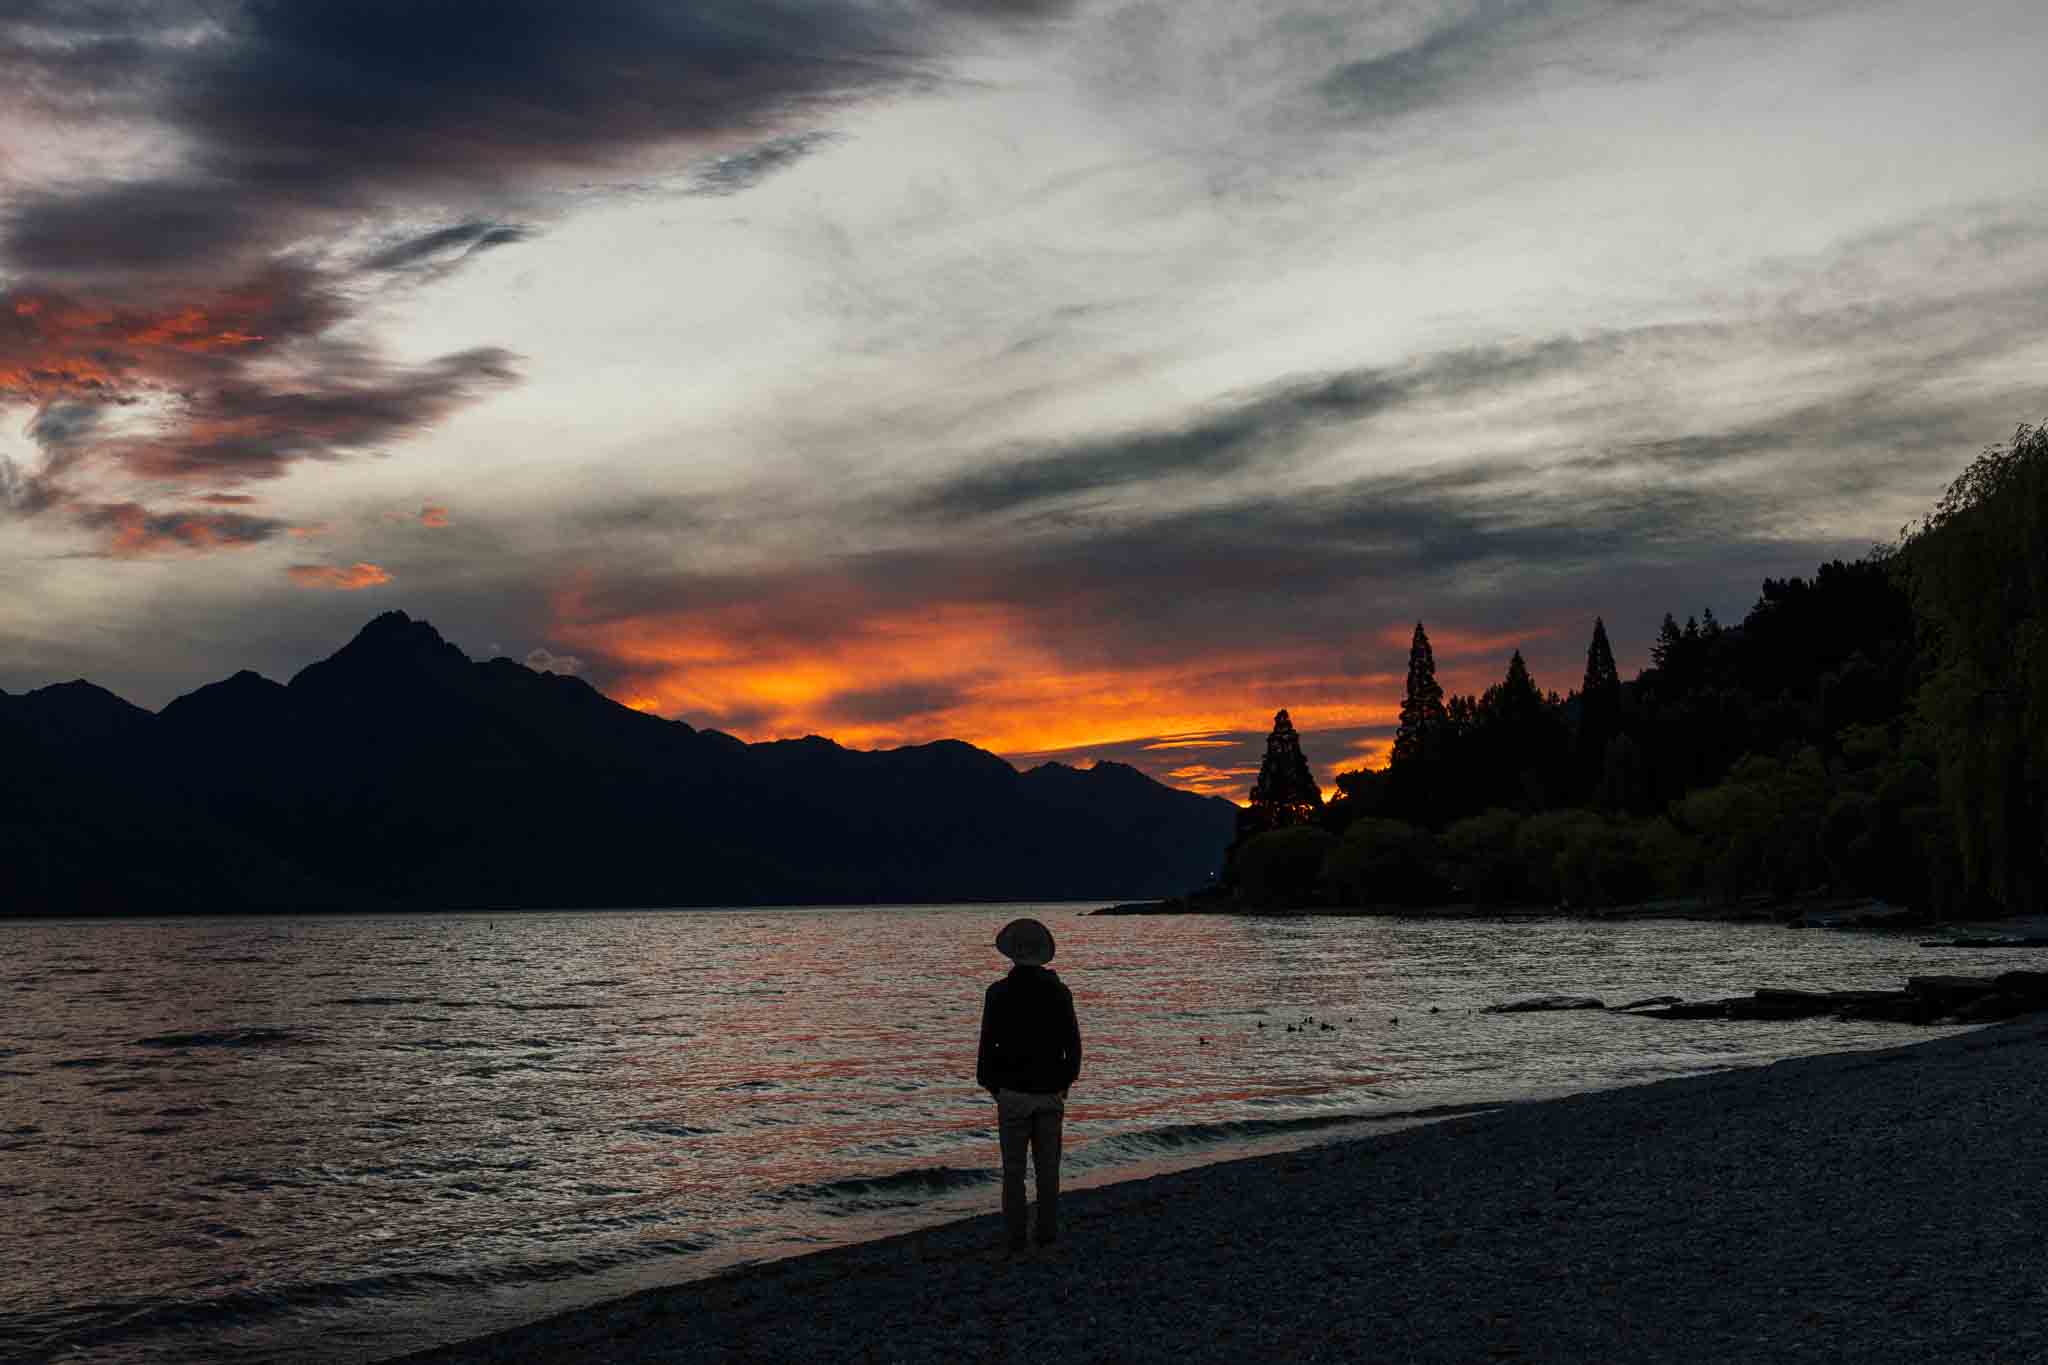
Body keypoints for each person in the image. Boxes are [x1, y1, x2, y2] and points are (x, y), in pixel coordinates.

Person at [976, 917, 1082, 1257]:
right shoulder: (1059, 992)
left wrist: (994, 1086)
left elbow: (986, 1048)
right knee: (1048, 1170)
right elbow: (1073, 1046)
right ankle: (1047, 1234)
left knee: (1013, 1171)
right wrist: (1064, 1082)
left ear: (1012, 954)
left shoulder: (997, 993)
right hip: (1050, 1091)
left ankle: (1016, 1238)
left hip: (1012, 1094)